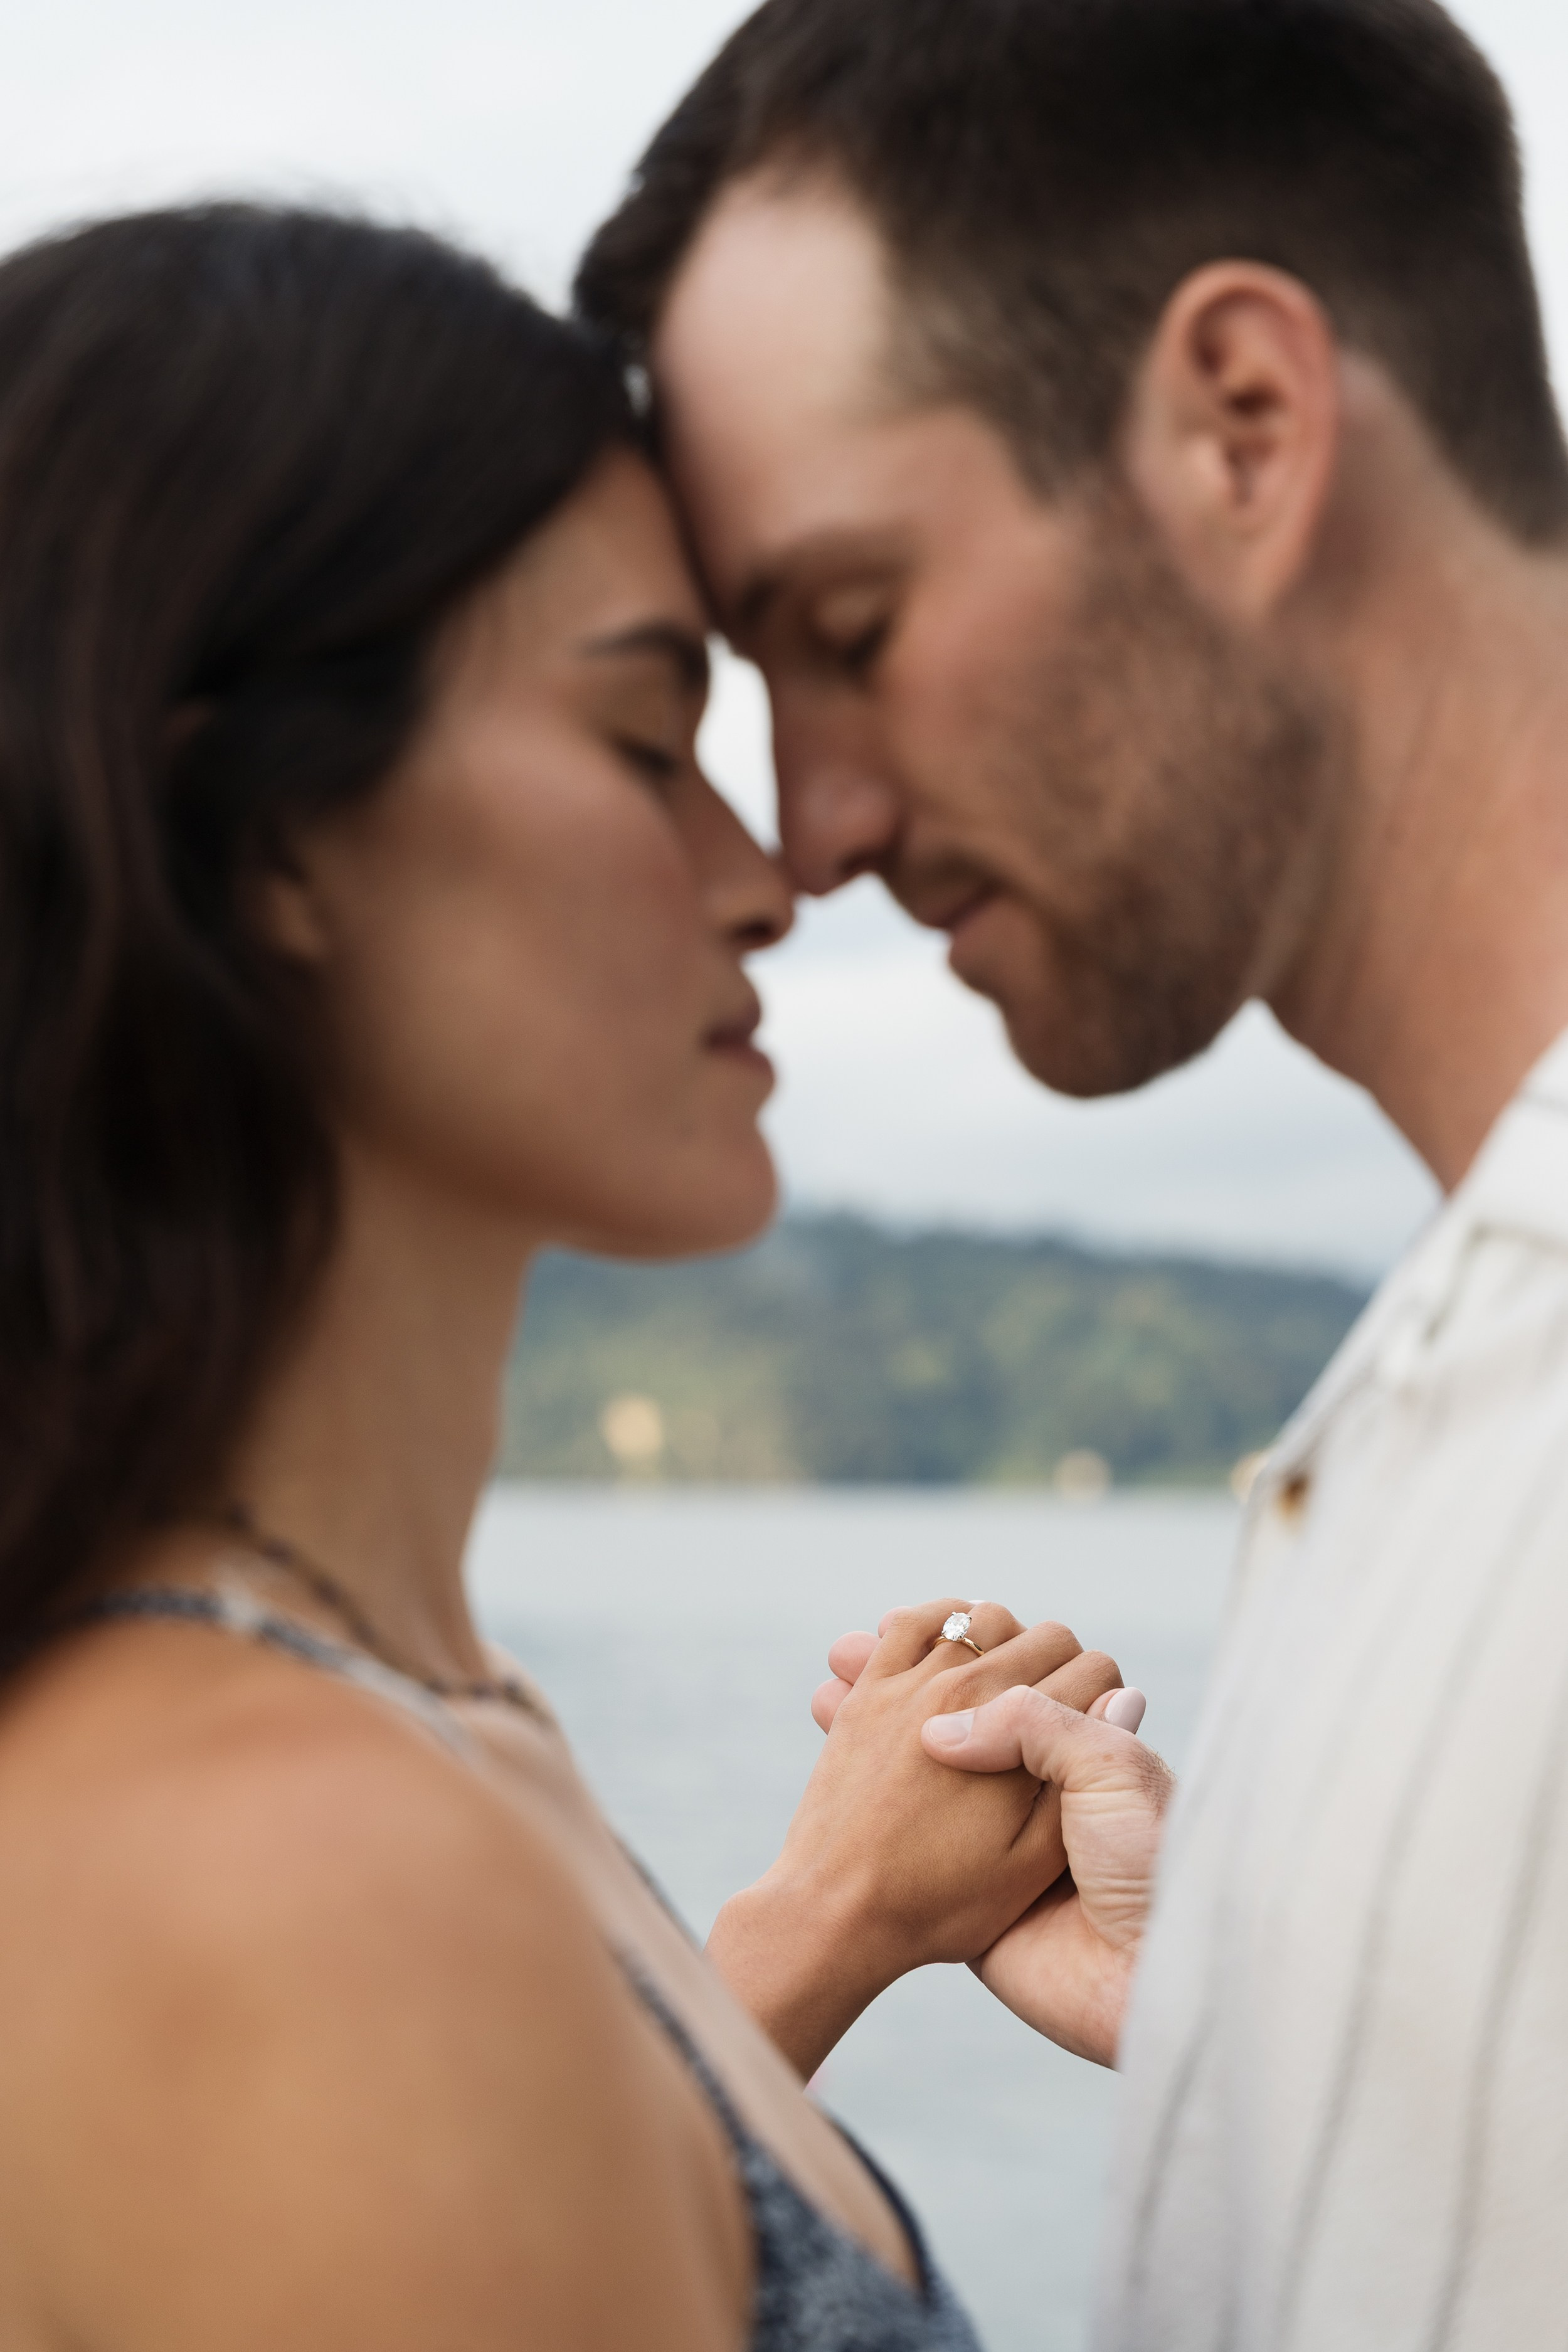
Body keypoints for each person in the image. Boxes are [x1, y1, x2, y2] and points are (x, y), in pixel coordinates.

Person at [0, 203, 1130, 2351]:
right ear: (262, 842)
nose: (772, 874)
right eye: (641, 742)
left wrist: (825, 1923)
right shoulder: (301, 1879)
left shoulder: (410, 1731)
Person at [577, 0, 1568, 2343]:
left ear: (1244, 426)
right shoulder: (1441, 1377)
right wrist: (1278, 1999)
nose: (803, 831)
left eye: (850, 630)